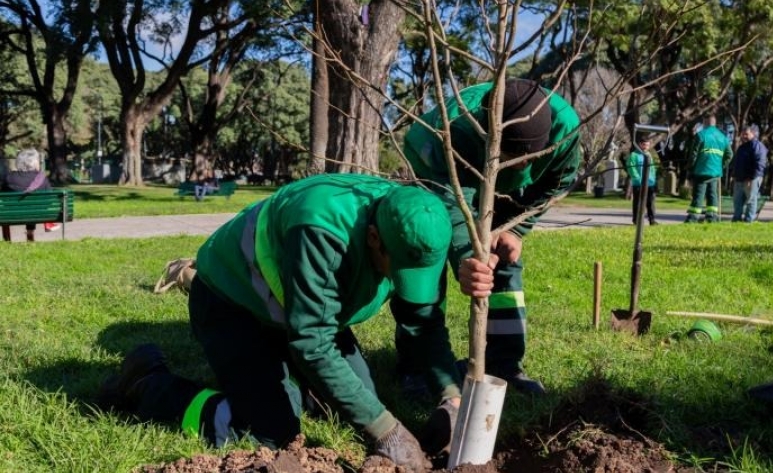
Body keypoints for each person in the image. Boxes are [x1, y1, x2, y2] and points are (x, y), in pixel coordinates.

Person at [98, 174, 478, 471]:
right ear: (374, 237)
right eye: (397, 269)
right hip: (233, 303)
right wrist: (387, 431)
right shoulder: (321, 229)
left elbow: (422, 321)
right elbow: (313, 342)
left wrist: (451, 396)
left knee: (354, 403)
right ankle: (149, 384)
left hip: (300, 311)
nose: (401, 280)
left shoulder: (419, 225)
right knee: (270, 433)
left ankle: (292, 385)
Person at [399, 78, 582, 395]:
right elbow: (453, 204)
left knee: (505, 258)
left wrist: (516, 228)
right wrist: (468, 257)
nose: (523, 164)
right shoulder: (453, 128)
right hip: (440, 170)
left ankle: (503, 364)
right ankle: (418, 366)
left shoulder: (564, 128)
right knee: (427, 253)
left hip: (503, 187)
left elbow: (557, 180)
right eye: (514, 155)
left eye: (530, 159)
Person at [1, 148, 61, 242]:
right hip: (37, 212)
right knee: (34, 206)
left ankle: (7, 240)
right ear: (34, 162)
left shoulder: (9, 177)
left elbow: (4, 197)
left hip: (12, 213)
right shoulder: (41, 177)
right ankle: (30, 233)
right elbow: (50, 199)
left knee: (9, 209)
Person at [685, 115, 733, 223]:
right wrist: (721, 166)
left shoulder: (701, 135)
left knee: (699, 195)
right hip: (716, 172)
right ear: (714, 123)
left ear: (705, 122)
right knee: (712, 195)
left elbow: (693, 155)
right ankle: (712, 217)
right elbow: (730, 155)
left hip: (701, 171)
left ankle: (693, 218)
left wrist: (690, 168)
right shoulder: (723, 137)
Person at [730, 125, 768, 222]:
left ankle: (748, 220)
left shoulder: (757, 146)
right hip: (739, 179)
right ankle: (736, 219)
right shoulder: (742, 147)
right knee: (737, 201)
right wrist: (734, 175)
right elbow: (737, 162)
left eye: (746, 134)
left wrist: (751, 178)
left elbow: (760, 164)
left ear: (753, 134)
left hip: (751, 179)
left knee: (751, 200)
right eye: (742, 134)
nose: (744, 136)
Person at [626, 134, 658, 226]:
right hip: (638, 183)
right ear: (640, 144)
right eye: (644, 145)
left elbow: (652, 169)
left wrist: (653, 179)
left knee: (650, 202)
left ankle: (652, 220)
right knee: (638, 203)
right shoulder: (634, 155)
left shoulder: (649, 155)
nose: (646, 147)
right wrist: (637, 178)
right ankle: (637, 220)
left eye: (648, 145)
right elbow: (631, 168)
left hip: (650, 183)